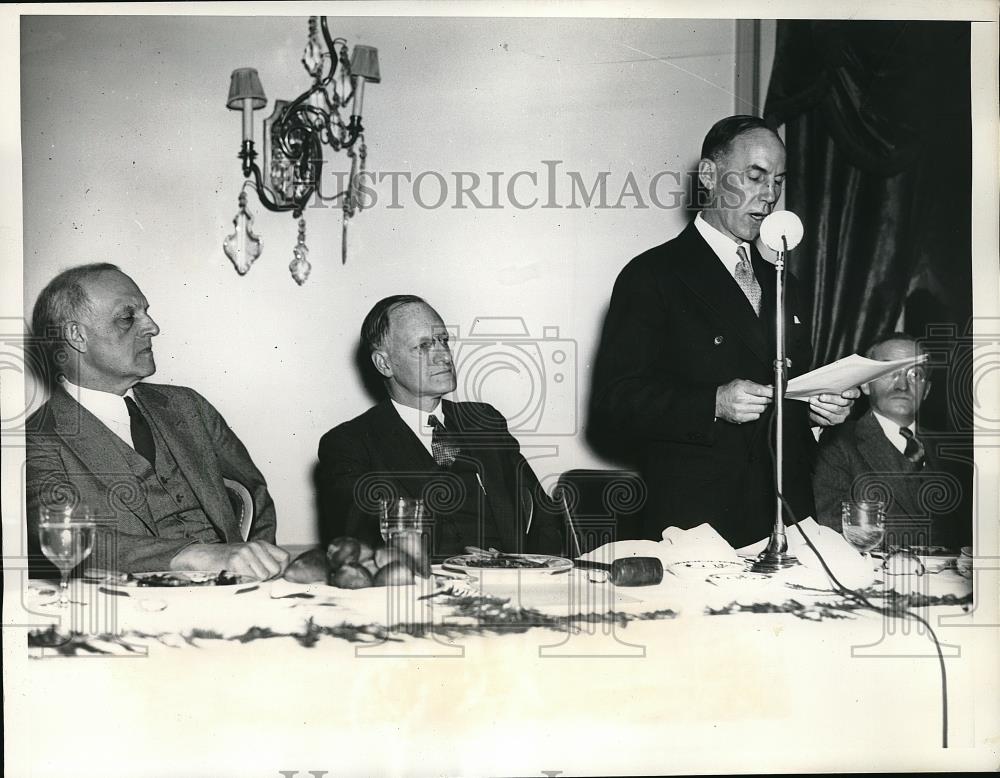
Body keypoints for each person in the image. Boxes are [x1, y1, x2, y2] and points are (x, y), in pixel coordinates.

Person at [591, 115, 857, 548]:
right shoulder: (653, 275)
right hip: (698, 524)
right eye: (755, 177)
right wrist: (711, 403)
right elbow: (612, 405)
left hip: (786, 520)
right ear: (711, 176)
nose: (770, 195)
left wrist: (817, 412)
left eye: (778, 180)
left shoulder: (786, 283)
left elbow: (786, 394)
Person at [26, 263, 289, 579]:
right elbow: (62, 541)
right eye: (128, 318)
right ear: (77, 336)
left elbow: (254, 493)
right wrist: (192, 556)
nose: (152, 326)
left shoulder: (186, 405)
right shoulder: (39, 439)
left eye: (146, 313)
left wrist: (259, 570)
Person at [317, 295, 563, 556]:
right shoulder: (350, 443)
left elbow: (541, 515)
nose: (443, 356)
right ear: (385, 364)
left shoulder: (484, 421)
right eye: (423, 346)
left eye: (443, 341)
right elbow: (361, 540)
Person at [813, 334, 971, 550]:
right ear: (866, 385)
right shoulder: (837, 444)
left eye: (916, 374)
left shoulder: (956, 452)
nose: (902, 386)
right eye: (889, 372)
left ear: (927, 390)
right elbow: (832, 533)